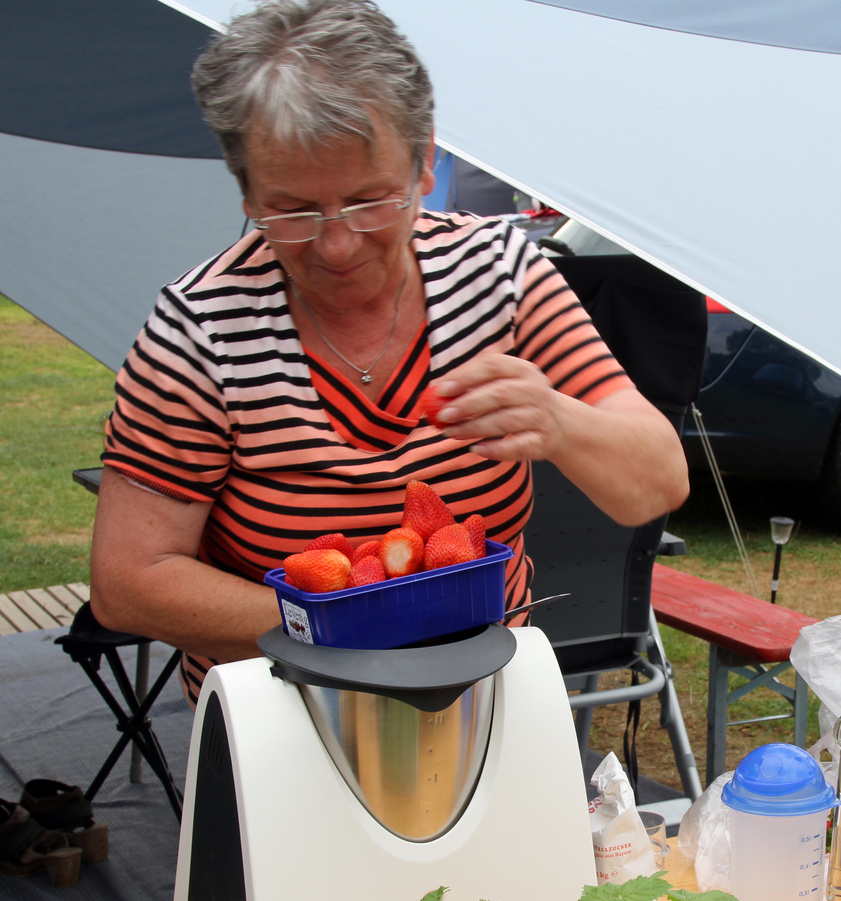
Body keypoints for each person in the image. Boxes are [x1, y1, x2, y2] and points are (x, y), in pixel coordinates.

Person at [89, 0, 688, 700]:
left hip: (486, 696)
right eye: (294, 210)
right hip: (286, 717)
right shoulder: (202, 331)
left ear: (424, 162)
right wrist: (355, 620)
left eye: (371, 200)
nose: (337, 244)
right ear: (245, 189)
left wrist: (559, 421)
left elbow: (658, 480)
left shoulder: (497, 274)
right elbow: (129, 584)